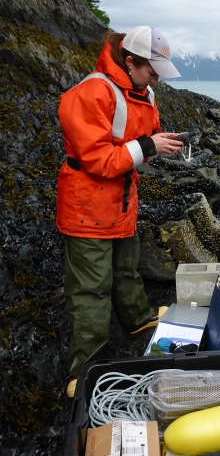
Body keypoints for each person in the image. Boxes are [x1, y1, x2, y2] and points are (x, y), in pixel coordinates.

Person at [56, 25, 184, 397]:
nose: (157, 77)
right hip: (87, 205)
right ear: (130, 61)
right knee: (90, 289)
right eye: (151, 69)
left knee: (126, 268)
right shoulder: (93, 92)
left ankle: (138, 320)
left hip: (122, 200)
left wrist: (161, 144)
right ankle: (84, 370)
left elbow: (143, 138)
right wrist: (147, 145)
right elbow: (97, 159)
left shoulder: (144, 92)